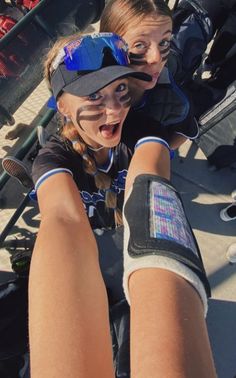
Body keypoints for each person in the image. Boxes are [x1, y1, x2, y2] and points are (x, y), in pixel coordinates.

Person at [29, 32, 216, 377]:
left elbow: (150, 188)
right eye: (93, 95)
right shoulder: (52, 159)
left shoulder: (143, 131)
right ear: (62, 105)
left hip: (119, 238)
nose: (115, 109)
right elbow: (64, 219)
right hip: (95, 247)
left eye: (121, 91)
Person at [99, 0, 199, 150]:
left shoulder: (174, 100)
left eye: (164, 42)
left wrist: (161, 154)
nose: (156, 58)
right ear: (107, 45)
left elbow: (185, 130)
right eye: (139, 45)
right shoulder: (84, 91)